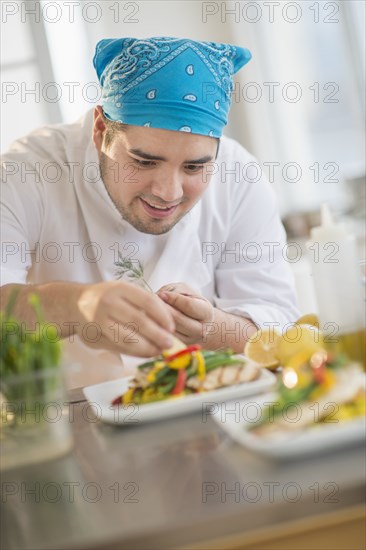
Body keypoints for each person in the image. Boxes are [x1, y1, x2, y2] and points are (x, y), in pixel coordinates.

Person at [0, 37, 299, 382]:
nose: (167, 193)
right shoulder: (26, 172)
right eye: (143, 162)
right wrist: (76, 306)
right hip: (63, 418)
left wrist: (213, 328)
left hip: (209, 411)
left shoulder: (240, 177)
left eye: (193, 168)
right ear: (100, 130)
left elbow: (282, 334)